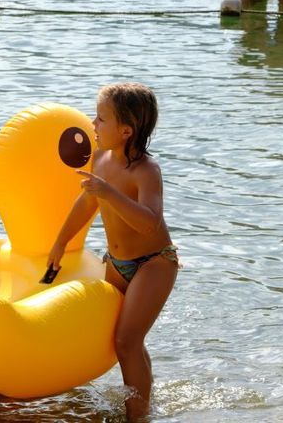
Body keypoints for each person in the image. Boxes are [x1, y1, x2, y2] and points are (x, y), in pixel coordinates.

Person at [47, 83, 178, 422]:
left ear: (125, 131)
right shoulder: (102, 158)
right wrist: (60, 243)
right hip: (117, 263)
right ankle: (141, 400)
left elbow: (149, 223)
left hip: (155, 263)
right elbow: (87, 201)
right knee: (116, 340)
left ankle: (137, 416)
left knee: (126, 340)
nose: (93, 124)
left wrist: (108, 192)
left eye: (100, 119)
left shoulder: (146, 171)